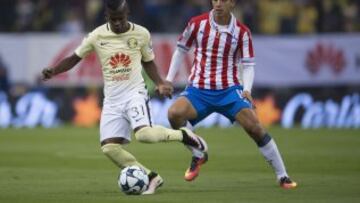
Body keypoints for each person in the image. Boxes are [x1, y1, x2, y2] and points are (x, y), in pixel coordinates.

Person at [41, 0, 207, 195]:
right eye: (113, 20)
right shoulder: (97, 35)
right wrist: (54, 71)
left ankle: (185, 135)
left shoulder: (141, 33)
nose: (118, 23)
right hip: (112, 100)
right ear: (107, 17)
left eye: (121, 18)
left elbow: (149, 62)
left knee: (144, 135)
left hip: (135, 93)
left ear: (127, 13)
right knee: (110, 148)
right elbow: (74, 58)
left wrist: (161, 82)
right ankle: (152, 177)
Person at [166, 0, 297, 189]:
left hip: (229, 90)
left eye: (223, 0)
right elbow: (180, 50)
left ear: (232, 3)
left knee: (255, 127)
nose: (218, 3)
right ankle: (198, 152)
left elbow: (249, 64)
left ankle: (282, 176)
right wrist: (169, 80)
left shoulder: (242, 32)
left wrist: (247, 90)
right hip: (198, 90)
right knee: (173, 114)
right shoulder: (197, 23)